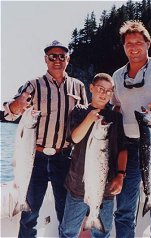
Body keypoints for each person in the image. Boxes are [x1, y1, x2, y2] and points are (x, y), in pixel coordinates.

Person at [3, 40, 88, 237]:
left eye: (61, 56)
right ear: (45, 60)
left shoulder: (79, 87)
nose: (57, 60)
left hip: (65, 158)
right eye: (52, 56)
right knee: (29, 216)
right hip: (34, 159)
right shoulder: (33, 85)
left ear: (68, 59)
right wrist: (17, 105)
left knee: (66, 215)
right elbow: (9, 114)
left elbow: (85, 123)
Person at [110, 20, 151, 238]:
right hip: (129, 147)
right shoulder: (117, 76)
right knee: (124, 209)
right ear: (123, 47)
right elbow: (117, 107)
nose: (133, 47)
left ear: (148, 43)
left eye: (138, 42)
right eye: (128, 43)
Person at [60, 73, 128, 238]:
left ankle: (95, 219)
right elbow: (74, 138)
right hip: (77, 186)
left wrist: (120, 176)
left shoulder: (116, 118)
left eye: (109, 91)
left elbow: (123, 149)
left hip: (106, 189)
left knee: (102, 233)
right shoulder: (79, 111)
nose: (104, 94)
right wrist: (89, 119)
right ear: (91, 88)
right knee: (68, 231)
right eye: (100, 89)